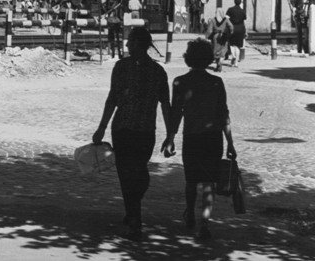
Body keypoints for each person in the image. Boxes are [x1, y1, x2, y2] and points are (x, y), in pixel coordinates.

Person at [92, 27, 171, 241]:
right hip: (144, 130)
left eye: (129, 42)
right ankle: (133, 214)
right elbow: (166, 105)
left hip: (126, 129)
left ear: (137, 44)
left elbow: (112, 99)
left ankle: (134, 215)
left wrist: (101, 127)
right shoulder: (157, 71)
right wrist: (170, 134)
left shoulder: (122, 67)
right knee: (137, 172)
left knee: (128, 175)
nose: (126, 46)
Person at [163, 38, 236, 241]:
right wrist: (230, 143)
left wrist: (170, 138)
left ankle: (190, 215)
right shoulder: (216, 82)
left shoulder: (180, 82)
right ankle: (205, 223)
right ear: (207, 59)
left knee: (191, 180)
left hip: (192, 137)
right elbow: (223, 115)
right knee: (208, 183)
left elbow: (176, 113)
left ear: (188, 58)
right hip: (213, 138)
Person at [205, 8, 233, 72]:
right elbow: (231, 26)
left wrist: (207, 37)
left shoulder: (212, 20)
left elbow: (209, 30)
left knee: (216, 51)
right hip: (224, 36)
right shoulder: (226, 20)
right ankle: (220, 62)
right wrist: (230, 33)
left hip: (216, 37)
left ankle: (218, 64)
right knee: (223, 51)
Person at [226, 0, 247, 67]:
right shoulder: (242, 11)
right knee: (238, 46)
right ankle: (236, 62)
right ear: (240, 2)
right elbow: (244, 21)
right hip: (240, 29)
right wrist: (245, 31)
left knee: (231, 44)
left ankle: (233, 56)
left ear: (234, 1)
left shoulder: (230, 10)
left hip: (232, 28)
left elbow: (227, 19)